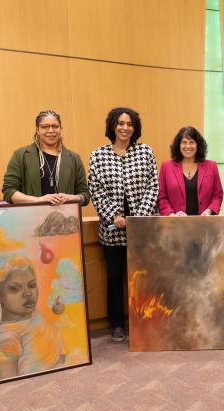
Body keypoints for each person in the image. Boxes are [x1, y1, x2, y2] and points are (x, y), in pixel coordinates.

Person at [88, 107, 158, 342]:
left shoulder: (145, 152)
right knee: (115, 277)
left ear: (135, 128)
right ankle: (117, 324)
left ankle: (145, 321)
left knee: (143, 276)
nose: (125, 127)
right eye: (120, 123)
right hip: (113, 230)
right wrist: (114, 215)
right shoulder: (98, 155)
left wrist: (137, 217)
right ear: (112, 126)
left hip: (142, 230)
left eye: (130, 124)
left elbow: (153, 186)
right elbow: (95, 191)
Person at [0, 256, 65, 380]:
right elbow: (8, 382)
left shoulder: (31, 315)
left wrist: (59, 310)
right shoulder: (6, 336)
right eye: (14, 289)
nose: (28, 293)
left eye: (31, 285)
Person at [2, 110, 90, 206]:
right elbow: (9, 191)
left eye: (55, 126)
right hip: (31, 218)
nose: (51, 130)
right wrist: (38, 200)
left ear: (61, 128)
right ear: (37, 130)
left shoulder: (74, 159)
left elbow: (85, 194)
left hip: (65, 219)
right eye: (45, 127)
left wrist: (73, 198)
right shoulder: (20, 155)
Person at [158, 127, 223, 216]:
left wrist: (209, 210)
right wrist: (172, 215)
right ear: (178, 145)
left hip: (205, 223)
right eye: (184, 142)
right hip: (175, 224)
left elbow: (217, 195)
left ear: (198, 145)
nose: (188, 146)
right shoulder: (166, 167)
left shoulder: (211, 166)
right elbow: (162, 197)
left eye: (192, 142)